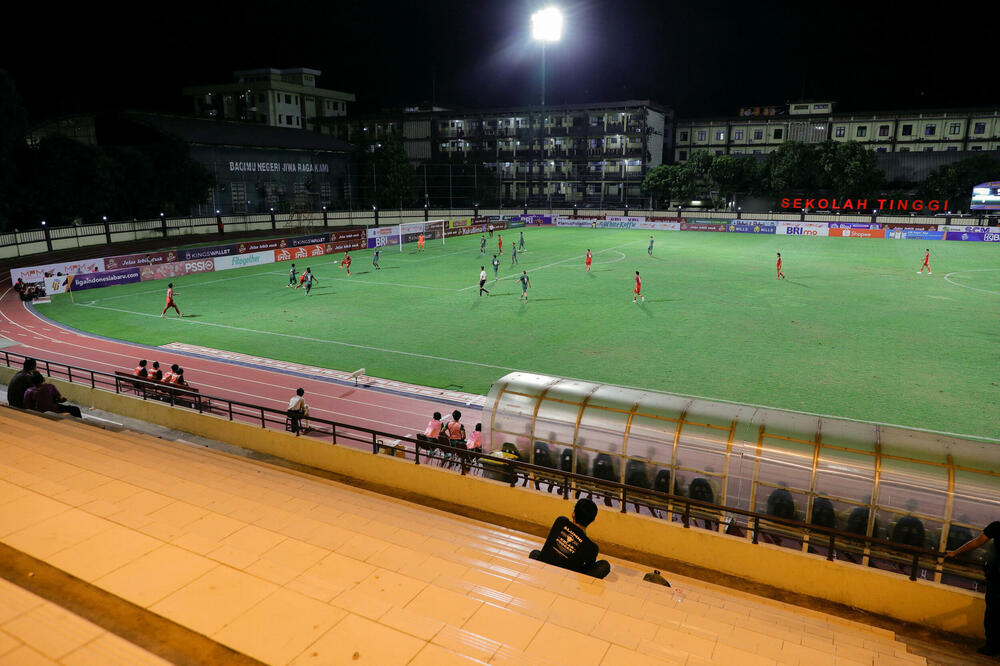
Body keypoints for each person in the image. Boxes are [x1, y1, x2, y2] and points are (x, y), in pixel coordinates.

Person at [946, 523, 1000, 655]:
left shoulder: (997, 527)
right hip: (996, 578)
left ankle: (992, 645)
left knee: (992, 612)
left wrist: (955, 552)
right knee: (992, 612)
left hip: (997, 579)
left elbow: (977, 542)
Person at [529, 498, 611, 579]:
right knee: (604, 565)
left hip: (543, 568)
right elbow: (588, 568)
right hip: (567, 578)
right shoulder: (592, 548)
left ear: (573, 514)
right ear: (592, 520)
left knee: (535, 553)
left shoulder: (561, 521)